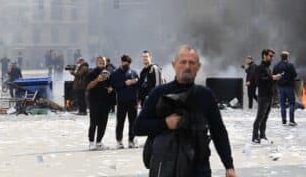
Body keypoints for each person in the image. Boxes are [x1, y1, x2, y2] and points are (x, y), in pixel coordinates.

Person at [134, 45, 236, 177]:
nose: (187, 66)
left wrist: (229, 166)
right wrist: (165, 123)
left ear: (198, 67)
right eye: (183, 62)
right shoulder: (159, 93)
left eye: (192, 62)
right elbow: (138, 127)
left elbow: (218, 131)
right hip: (166, 168)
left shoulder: (205, 95)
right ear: (174, 65)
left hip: (199, 168)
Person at [85, 55, 115, 150]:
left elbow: (112, 85)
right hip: (94, 102)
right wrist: (97, 80)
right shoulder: (91, 73)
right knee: (93, 123)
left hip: (106, 102)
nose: (101, 63)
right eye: (100, 61)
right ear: (97, 62)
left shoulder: (109, 73)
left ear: (106, 63)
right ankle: (91, 142)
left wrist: (111, 88)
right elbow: (88, 87)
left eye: (103, 61)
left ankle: (99, 142)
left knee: (103, 123)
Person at [252, 49, 281, 143]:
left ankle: (262, 135)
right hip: (263, 96)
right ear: (264, 56)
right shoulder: (260, 67)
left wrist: (275, 78)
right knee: (260, 117)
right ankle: (255, 136)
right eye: (270, 56)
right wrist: (272, 77)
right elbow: (259, 81)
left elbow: (268, 80)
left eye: (272, 56)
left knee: (265, 117)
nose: (272, 58)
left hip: (269, 95)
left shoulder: (268, 68)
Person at [111, 54, 140, 149]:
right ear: (121, 61)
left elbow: (138, 86)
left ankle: (131, 140)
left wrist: (135, 81)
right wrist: (124, 83)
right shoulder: (115, 73)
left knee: (133, 121)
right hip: (121, 101)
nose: (125, 64)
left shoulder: (134, 72)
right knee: (120, 122)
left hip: (133, 101)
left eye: (127, 63)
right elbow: (114, 86)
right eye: (124, 62)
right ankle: (119, 141)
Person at [273, 51, 298, 126]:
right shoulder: (290, 65)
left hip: (280, 87)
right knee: (291, 104)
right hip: (289, 87)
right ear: (287, 57)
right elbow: (295, 75)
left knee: (282, 104)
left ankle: (284, 121)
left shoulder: (276, 65)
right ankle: (291, 120)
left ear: (281, 57)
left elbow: (274, 75)